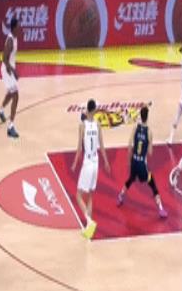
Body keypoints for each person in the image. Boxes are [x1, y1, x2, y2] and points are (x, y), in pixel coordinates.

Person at [116, 106, 167, 218]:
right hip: (141, 165)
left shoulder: (135, 128)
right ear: (147, 117)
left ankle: (120, 196)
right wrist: (148, 144)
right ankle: (161, 209)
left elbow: (129, 145)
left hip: (134, 161)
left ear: (140, 116)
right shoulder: (149, 132)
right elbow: (150, 152)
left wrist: (128, 161)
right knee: (152, 184)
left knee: (131, 179)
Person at [71, 99, 111, 240]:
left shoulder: (82, 125)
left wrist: (75, 163)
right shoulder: (98, 124)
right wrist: (106, 162)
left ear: (87, 109)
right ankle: (89, 230)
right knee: (90, 195)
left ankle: (89, 221)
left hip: (88, 162)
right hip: (96, 161)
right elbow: (102, 146)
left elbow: (79, 148)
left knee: (78, 195)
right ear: (94, 110)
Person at [0, 18, 20, 139]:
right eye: (18, 26)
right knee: (15, 95)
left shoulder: (15, 38)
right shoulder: (10, 40)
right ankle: (10, 127)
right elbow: (4, 58)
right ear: (14, 28)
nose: (20, 28)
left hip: (10, 69)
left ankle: (0, 110)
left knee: (11, 93)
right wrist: (13, 70)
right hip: (7, 70)